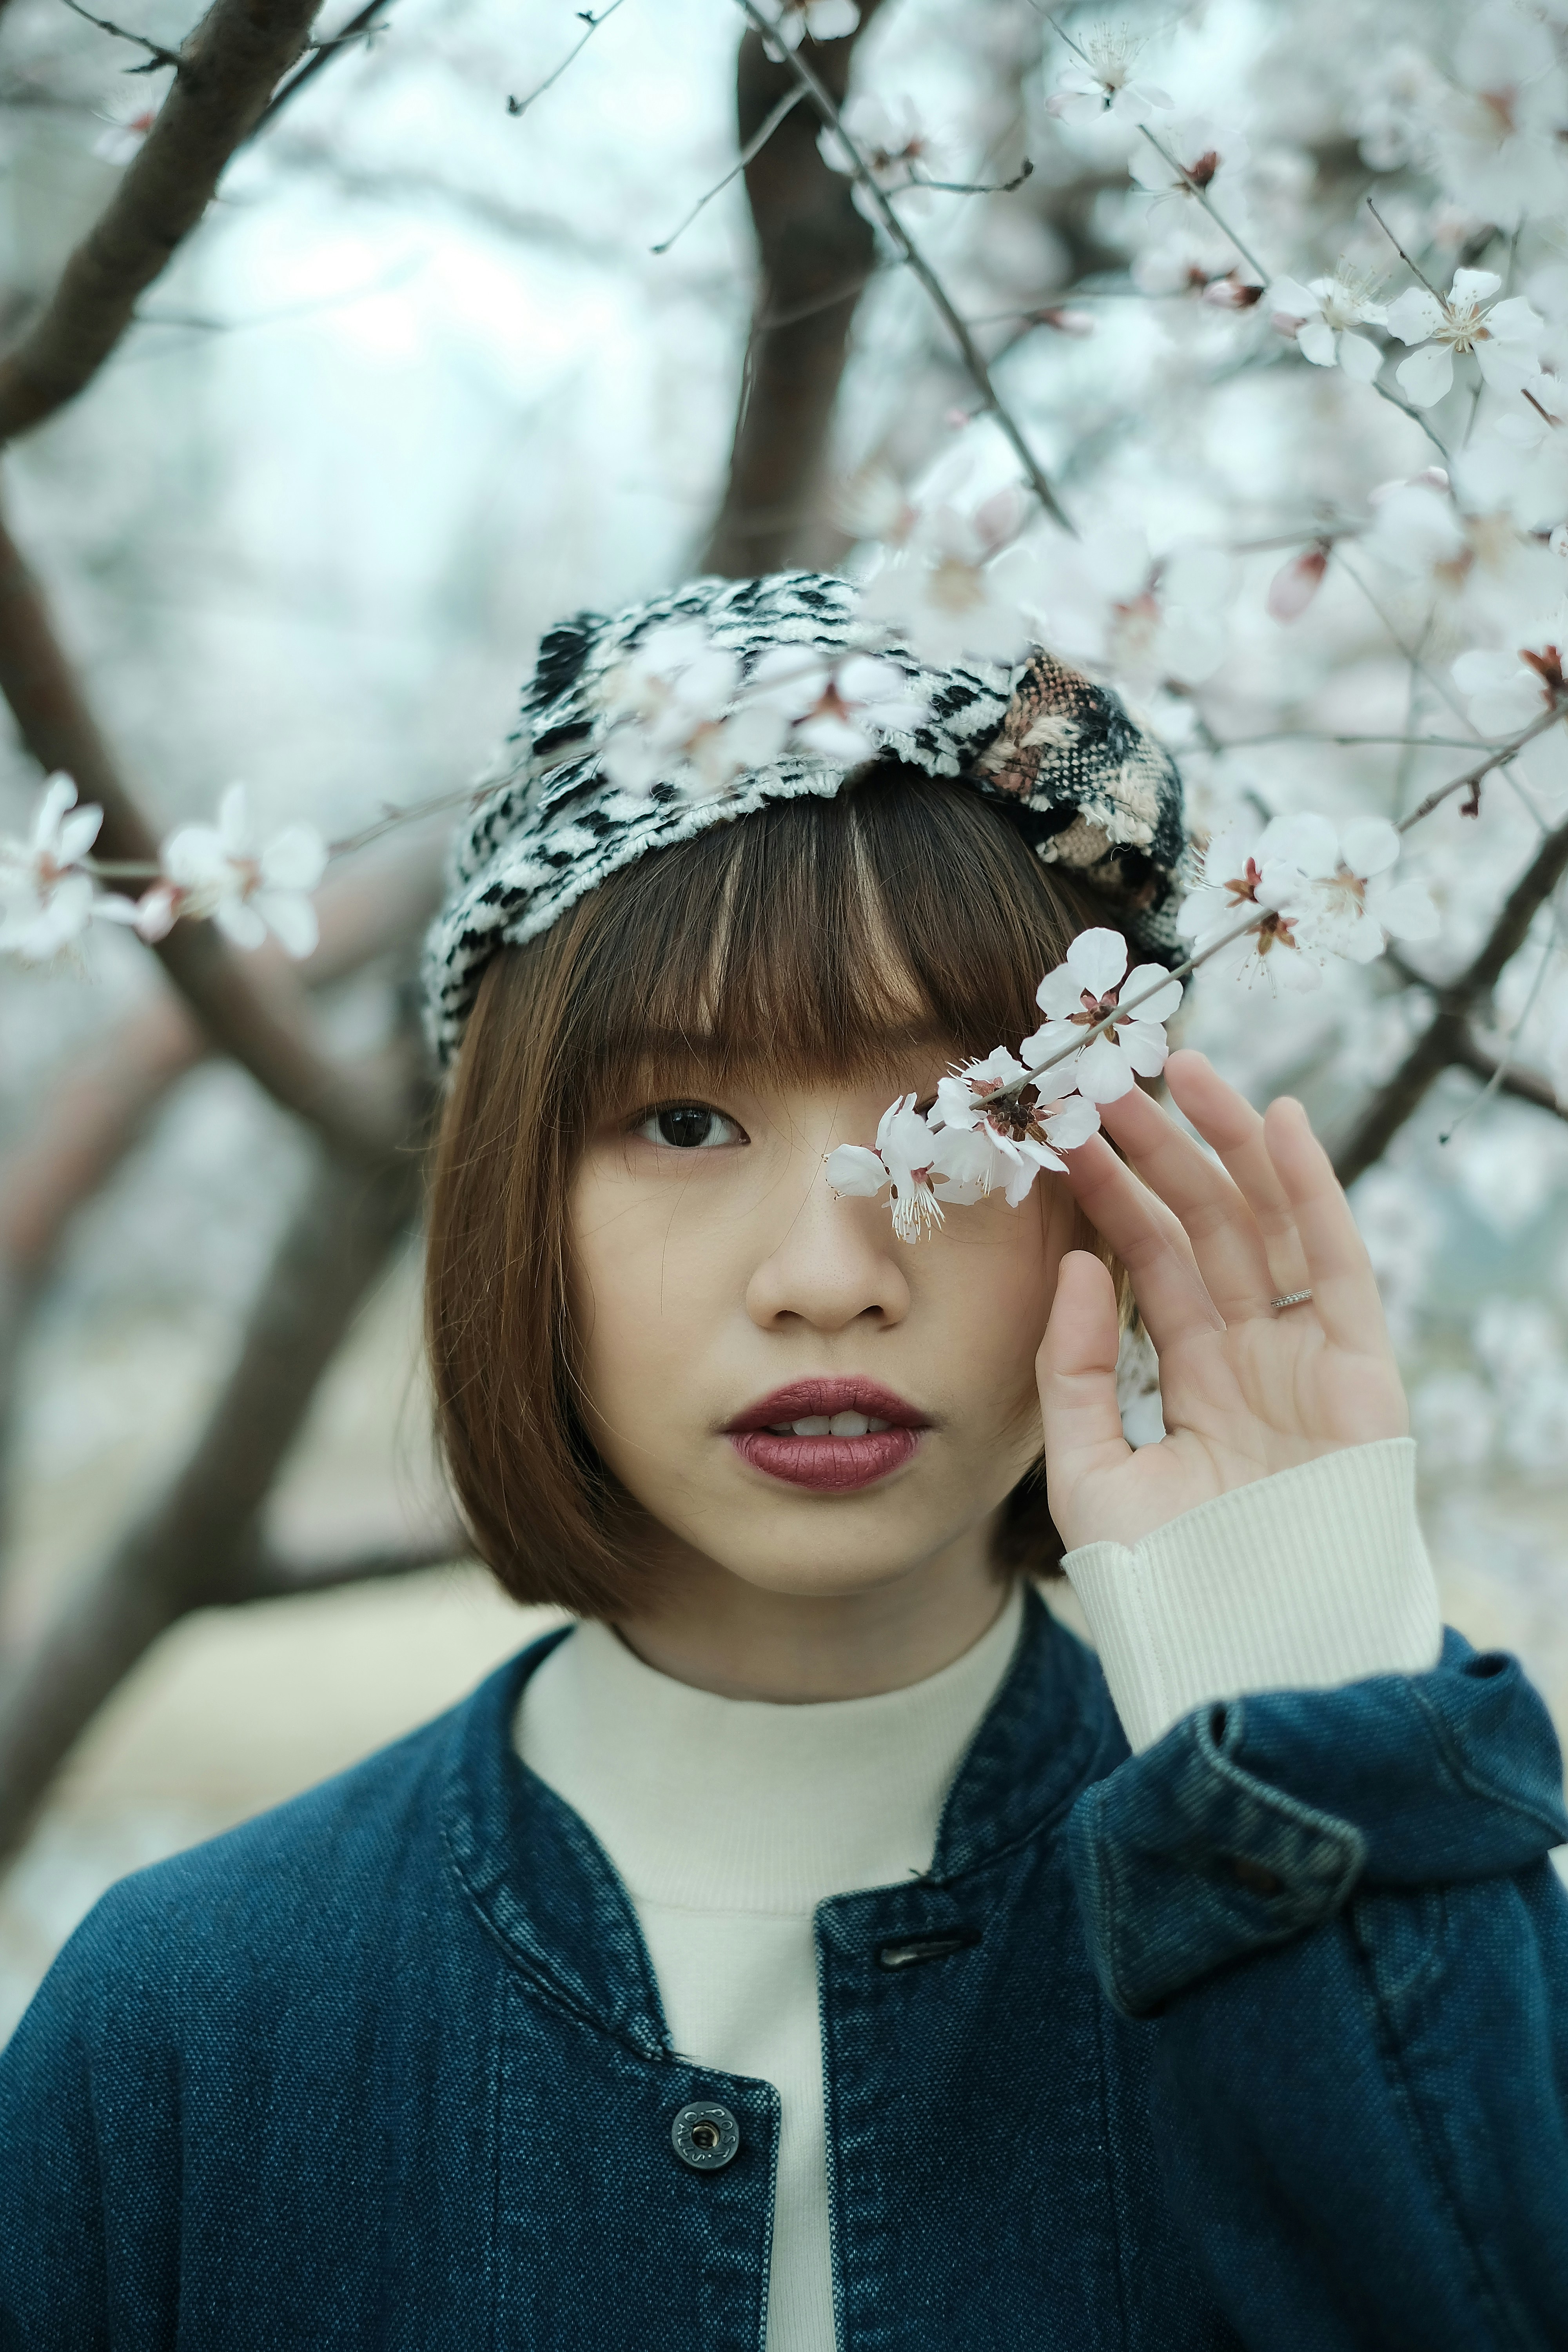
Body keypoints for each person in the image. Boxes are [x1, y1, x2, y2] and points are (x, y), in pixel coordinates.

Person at [2, 570, 1566, 2350]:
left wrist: (1312, 1712)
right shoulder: (194, 2031)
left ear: (1099, 1181)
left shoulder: (1370, 1935)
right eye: (684, 1122)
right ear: (516, 1200)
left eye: (966, 1118)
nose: (830, 1274)